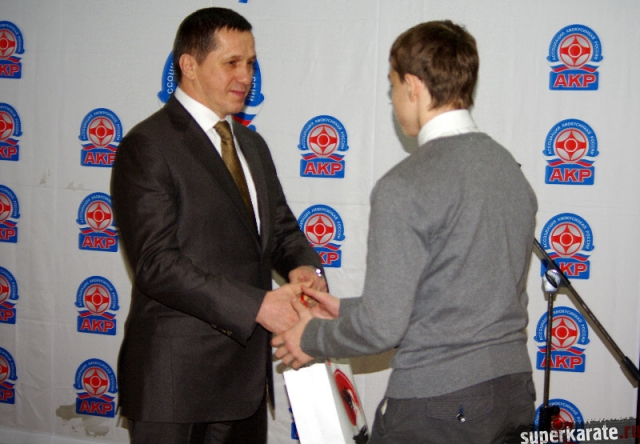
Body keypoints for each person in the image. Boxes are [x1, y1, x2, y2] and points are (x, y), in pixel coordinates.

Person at [273, 20, 538, 444]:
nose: (393, 97)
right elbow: (456, 298)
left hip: (438, 406)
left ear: (412, 86)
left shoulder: (405, 185)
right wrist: (346, 310)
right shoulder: (509, 170)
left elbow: (383, 329)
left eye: (393, 85)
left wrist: (311, 337)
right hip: (512, 393)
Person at [110, 7, 326, 444]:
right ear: (189, 65)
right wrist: (258, 306)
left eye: (251, 63)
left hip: (245, 385)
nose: (246, 76)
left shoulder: (251, 143)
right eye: (232, 62)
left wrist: (304, 267)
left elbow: (279, 228)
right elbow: (155, 264)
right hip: (176, 385)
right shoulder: (148, 145)